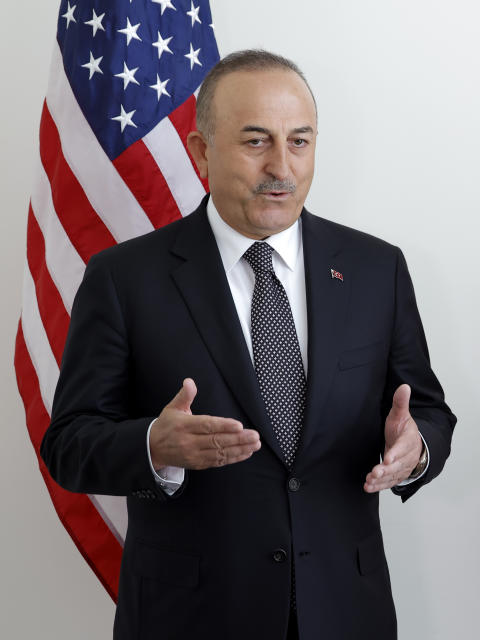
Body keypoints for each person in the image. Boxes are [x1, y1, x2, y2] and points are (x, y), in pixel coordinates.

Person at [41, 49, 456, 639]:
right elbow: (68, 442)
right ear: (201, 151)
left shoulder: (375, 269)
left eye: (300, 141)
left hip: (345, 612)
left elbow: (429, 413)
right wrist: (154, 445)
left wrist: (415, 450)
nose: (281, 168)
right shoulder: (123, 278)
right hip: (189, 618)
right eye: (256, 142)